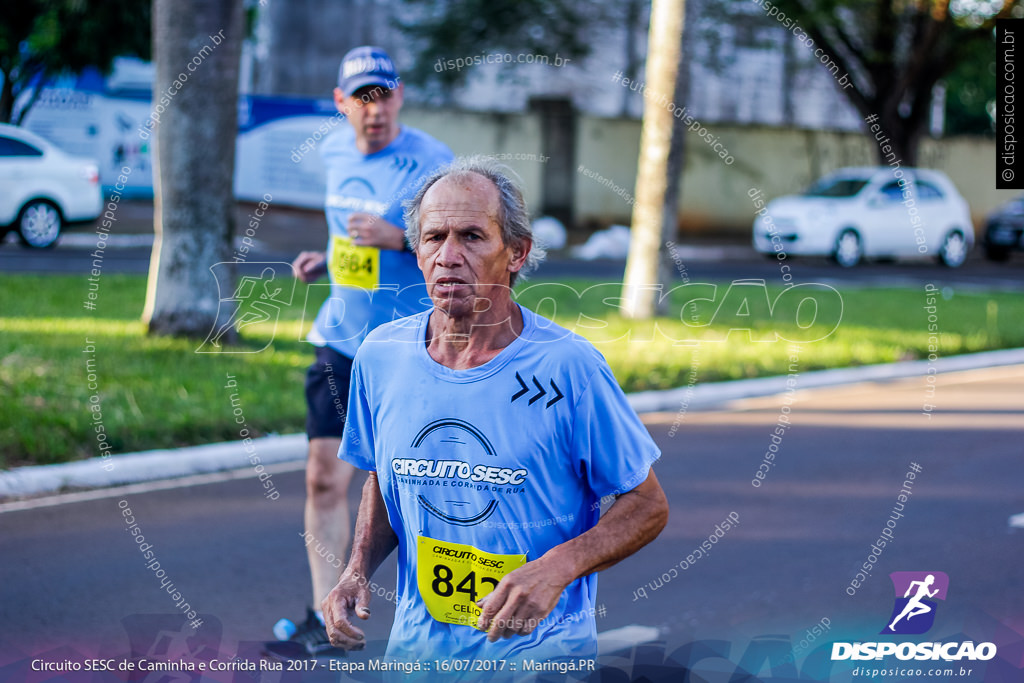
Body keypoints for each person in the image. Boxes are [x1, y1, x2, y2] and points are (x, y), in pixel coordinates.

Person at [321, 156, 670, 671]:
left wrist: (557, 568)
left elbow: (647, 504)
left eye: (472, 236)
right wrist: (355, 572)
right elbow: (383, 475)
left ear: (517, 253)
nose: (449, 256)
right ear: (416, 252)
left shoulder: (569, 367)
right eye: (434, 237)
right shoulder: (381, 354)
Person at [280, 45, 454, 655]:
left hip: (408, 348)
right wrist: (324, 259)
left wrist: (401, 238)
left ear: (399, 96)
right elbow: (344, 233)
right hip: (340, 337)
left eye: (383, 95)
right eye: (361, 97)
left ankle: (441, 610)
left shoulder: (433, 161)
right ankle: (330, 620)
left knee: (414, 483)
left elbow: (459, 242)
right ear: (341, 103)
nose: (373, 109)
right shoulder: (332, 151)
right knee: (324, 478)